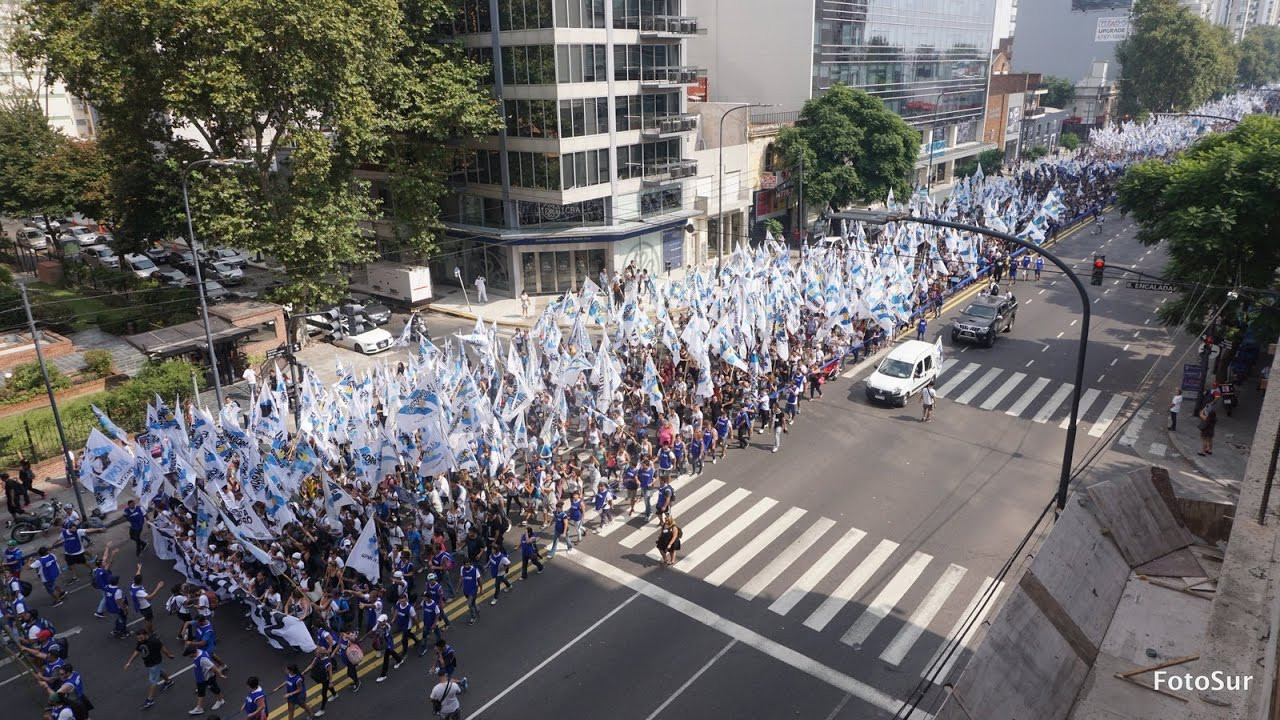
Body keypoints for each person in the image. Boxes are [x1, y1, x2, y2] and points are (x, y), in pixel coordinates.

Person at [124, 627, 176, 710]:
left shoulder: (154, 641)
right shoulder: (141, 641)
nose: (139, 640)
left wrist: (169, 655)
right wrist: (129, 662)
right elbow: (137, 651)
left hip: (155, 663)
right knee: (159, 672)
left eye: (141, 638)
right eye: (138, 638)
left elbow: (162, 647)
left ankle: (150, 700)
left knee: (153, 681)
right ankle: (168, 681)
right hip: (149, 663)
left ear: (146, 635)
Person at [364, 614, 403, 683]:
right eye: (379, 621)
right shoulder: (380, 625)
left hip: (388, 643)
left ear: (385, 621)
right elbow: (373, 630)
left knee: (386, 659)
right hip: (385, 643)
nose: (379, 622)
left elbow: (382, 635)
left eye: (381, 621)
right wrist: (363, 637)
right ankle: (399, 660)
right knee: (392, 652)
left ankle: (383, 675)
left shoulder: (387, 627)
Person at [188, 646, 225, 716]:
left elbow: (213, 666)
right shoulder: (198, 650)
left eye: (189, 654)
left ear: (193, 653)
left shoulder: (203, 659)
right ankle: (199, 708)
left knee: (214, 689)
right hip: (201, 678)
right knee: (201, 691)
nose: (189, 656)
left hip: (208, 677)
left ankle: (220, 700)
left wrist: (220, 674)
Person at [302, 647, 335, 716]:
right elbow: (311, 665)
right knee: (328, 687)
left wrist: (331, 681)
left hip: (326, 679)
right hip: (320, 677)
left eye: (317, 653)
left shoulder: (327, 662)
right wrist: (304, 672)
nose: (315, 653)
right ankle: (335, 694)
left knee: (324, 694)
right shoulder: (316, 658)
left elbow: (330, 672)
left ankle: (322, 710)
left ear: (321, 654)